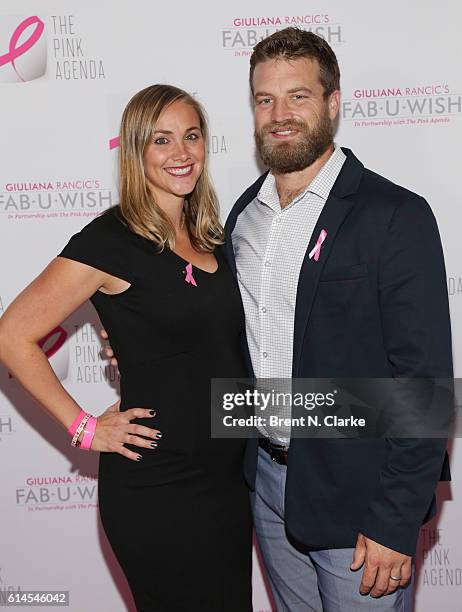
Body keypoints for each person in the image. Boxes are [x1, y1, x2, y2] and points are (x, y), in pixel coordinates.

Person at [222, 28, 452, 611]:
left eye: (298, 96)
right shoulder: (242, 219)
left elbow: (424, 384)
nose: (279, 115)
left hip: (362, 503)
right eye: (264, 99)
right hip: (269, 489)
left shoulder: (395, 215)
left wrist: (395, 521)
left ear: (332, 102)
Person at [0, 84, 252, 611]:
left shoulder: (211, 236)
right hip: (159, 490)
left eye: (191, 136)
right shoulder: (111, 239)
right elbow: (12, 334)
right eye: (162, 140)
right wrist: (84, 428)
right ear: (137, 150)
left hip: (226, 485)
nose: (181, 153)